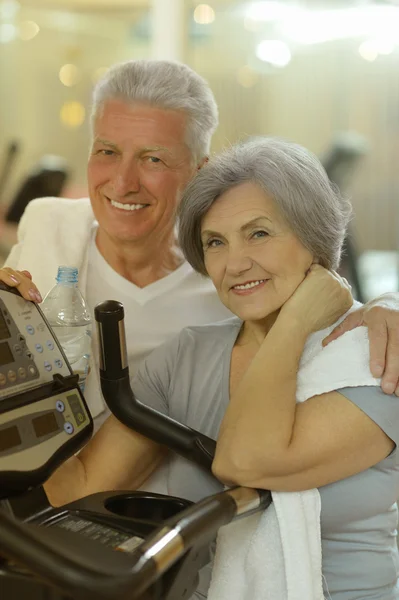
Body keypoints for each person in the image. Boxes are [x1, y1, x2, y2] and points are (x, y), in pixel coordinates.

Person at [27, 137, 397, 599]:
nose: (236, 263)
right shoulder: (186, 358)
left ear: (314, 237)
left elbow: (246, 461)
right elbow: (77, 489)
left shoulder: (375, 353)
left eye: (259, 233)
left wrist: (297, 321)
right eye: (215, 242)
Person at [1, 59, 399, 433]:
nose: (122, 183)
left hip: (189, 489)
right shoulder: (48, 227)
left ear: (199, 173)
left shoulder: (235, 276)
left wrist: (385, 306)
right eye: (107, 152)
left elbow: (324, 309)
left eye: (153, 159)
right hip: (55, 473)